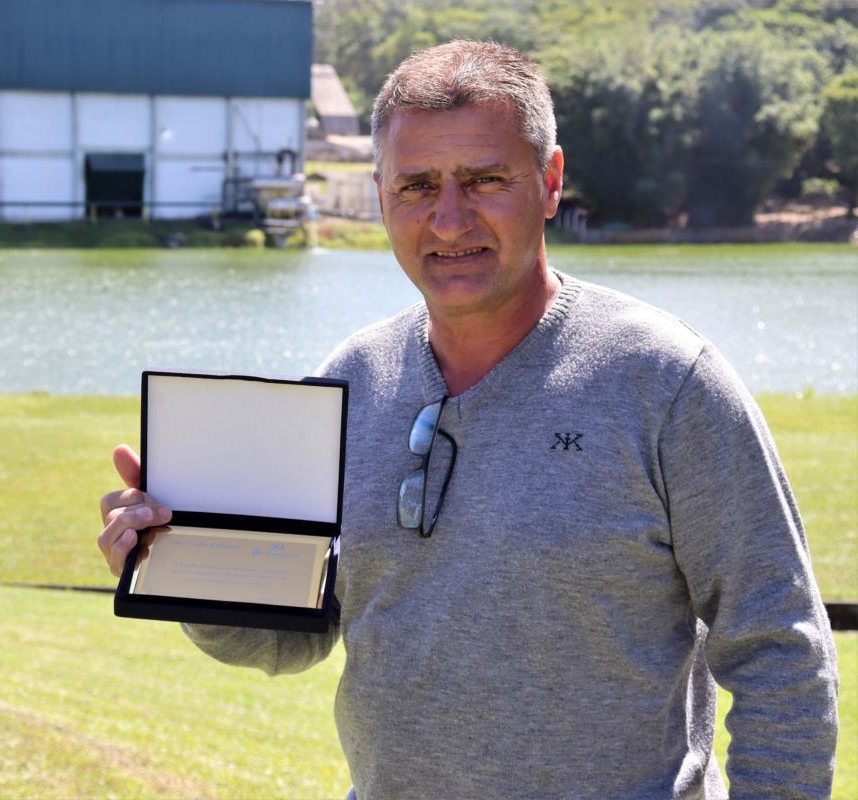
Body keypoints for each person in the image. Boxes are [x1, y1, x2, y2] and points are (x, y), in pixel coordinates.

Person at [97, 40, 839, 798]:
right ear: (382, 194)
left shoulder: (667, 383)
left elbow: (782, 652)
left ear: (550, 183)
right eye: (417, 185)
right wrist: (179, 567)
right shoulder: (352, 379)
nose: (450, 220)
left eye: (485, 179)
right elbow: (293, 638)